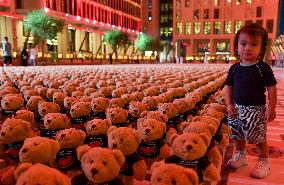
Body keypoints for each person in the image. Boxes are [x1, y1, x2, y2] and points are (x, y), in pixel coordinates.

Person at [225, 24, 277, 179]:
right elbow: (229, 87)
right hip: (236, 108)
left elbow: (272, 89)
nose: (247, 48)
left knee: (258, 137)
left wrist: (271, 107)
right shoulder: (234, 68)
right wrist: (228, 104)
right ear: (237, 46)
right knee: (237, 134)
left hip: (256, 110)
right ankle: (241, 155)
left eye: (254, 44)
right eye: (243, 44)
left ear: (261, 49)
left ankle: (264, 161)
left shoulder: (263, 68)